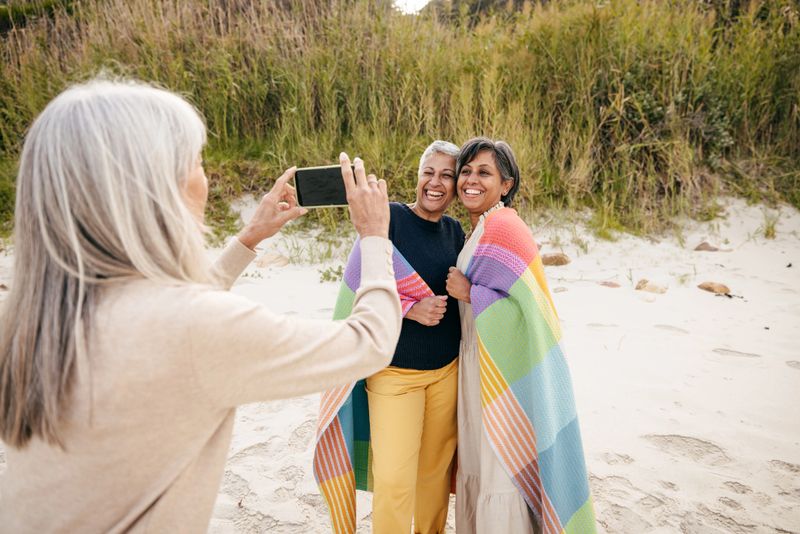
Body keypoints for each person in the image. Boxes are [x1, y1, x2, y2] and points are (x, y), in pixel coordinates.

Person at [0, 78, 402, 533]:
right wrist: (374, 234)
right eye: (196, 161)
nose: (204, 177)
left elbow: (160, 320)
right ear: (154, 186)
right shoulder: (194, 329)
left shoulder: (27, 315)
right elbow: (369, 342)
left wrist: (249, 239)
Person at [445, 138, 596, 533]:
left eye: (484, 173)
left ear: (506, 185)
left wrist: (470, 292)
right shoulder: (481, 227)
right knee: (483, 460)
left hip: (501, 366)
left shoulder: (504, 226)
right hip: (479, 360)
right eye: (466, 171)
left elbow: (527, 311)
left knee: (499, 465)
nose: (470, 180)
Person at [313, 141, 464, 534]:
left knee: (434, 476)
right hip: (394, 374)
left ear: (456, 184)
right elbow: (361, 284)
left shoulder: (455, 232)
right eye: (428, 172)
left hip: (446, 372)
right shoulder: (390, 219)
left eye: (447, 175)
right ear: (417, 176)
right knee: (395, 480)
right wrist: (410, 310)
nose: (436, 182)